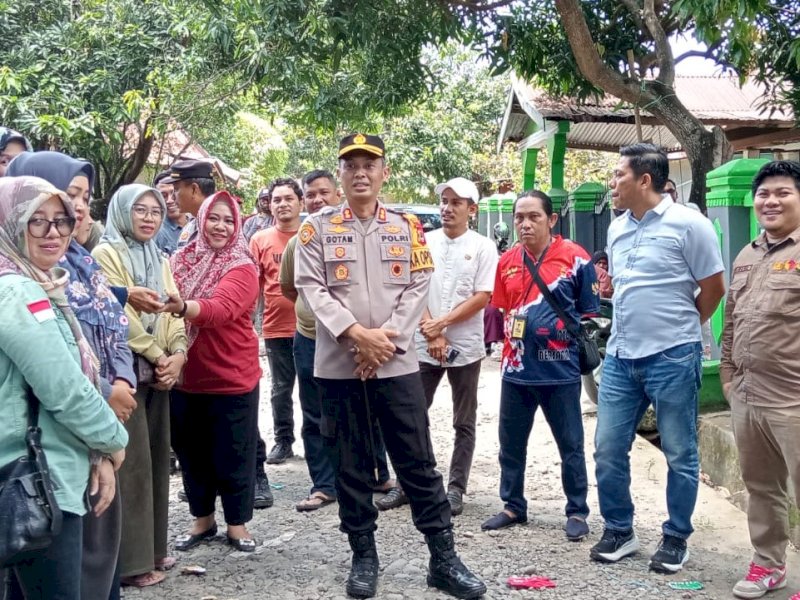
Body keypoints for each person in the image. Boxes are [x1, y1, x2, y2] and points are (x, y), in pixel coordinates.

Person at [295, 133, 485, 599]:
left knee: (418, 462)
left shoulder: (407, 227)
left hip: (395, 364)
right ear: (340, 174)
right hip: (339, 366)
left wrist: (385, 339)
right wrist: (356, 335)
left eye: (369, 165)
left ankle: (443, 559)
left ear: (385, 172)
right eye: (351, 165)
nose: (360, 173)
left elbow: (418, 283)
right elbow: (310, 286)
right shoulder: (316, 228)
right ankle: (364, 556)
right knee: (349, 464)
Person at [4, 150, 138, 600]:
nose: (54, 232)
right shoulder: (17, 291)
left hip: (51, 465)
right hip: (36, 474)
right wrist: (113, 443)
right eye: (36, 221)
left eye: (61, 220)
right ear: (10, 222)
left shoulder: (41, 281)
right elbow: (64, 388)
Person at [591, 144, 725, 573]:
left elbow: (714, 288)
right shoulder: (617, 228)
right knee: (608, 447)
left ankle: (676, 536)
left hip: (672, 357)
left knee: (679, 452)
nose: (612, 183)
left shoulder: (690, 224)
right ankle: (619, 529)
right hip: (620, 356)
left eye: (619, 175)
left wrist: (681, 328)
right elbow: (626, 283)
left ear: (644, 180)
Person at [482, 190, 598, 541]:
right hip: (516, 371)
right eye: (519, 217)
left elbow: (589, 312)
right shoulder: (507, 261)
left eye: (534, 217)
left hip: (560, 370)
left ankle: (576, 510)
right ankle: (513, 505)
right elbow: (503, 309)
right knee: (510, 443)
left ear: (552, 220)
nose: (525, 224)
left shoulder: (575, 258)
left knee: (571, 444)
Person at [92, 184, 188, 588]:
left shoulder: (158, 255)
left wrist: (178, 352)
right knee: (129, 465)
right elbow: (118, 315)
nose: (150, 218)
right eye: (140, 210)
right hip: (125, 370)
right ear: (122, 212)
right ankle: (130, 563)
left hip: (159, 370)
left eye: (156, 211)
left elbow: (171, 306)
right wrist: (155, 352)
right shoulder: (105, 254)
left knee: (155, 462)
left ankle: (153, 548)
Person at [165, 191, 262, 552]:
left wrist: (182, 307)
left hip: (231, 377)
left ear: (237, 225)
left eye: (228, 220)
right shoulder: (179, 260)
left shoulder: (242, 266)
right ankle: (202, 521)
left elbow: (220, 309)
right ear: (201, 220)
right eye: (214, 218)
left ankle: (237, 525)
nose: (220, 226)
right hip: (185, 376)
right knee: (191, 455)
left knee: (234, 454)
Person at [721, 161, 800, 600]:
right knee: (761, 487)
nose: (771, 201)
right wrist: (728, 377)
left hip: (794, 398)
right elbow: (732, 320)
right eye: (763, 194)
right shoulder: (747, 255)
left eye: (783, 192)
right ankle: (769, 566)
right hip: (749, 395)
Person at [412, 177, 497, 517]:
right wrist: (432, 332)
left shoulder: (483, 246)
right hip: (423, 342)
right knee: (413, 414)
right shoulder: (425, 241)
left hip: (465, 345)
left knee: (464, 420)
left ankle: (456, 487)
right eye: (444, 202)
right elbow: (414, 288)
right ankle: (413, 481)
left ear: (471, 210)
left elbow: (482, 296)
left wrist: (442, 324)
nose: (447, 208)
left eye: (456, 203)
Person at [280, 170, 342, 511]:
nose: (318, 200)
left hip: (351, 341)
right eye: (311, 195)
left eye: (324, 193)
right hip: (309, 339)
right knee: (314, 413)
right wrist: (312, 313)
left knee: (361, 410)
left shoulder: (354, 235)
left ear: (337, 195)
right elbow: (290, 288)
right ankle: (323, 485)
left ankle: (373, 475)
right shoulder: (297, 243)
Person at [250, 178, 303, 466]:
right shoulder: (260, 240)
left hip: (313, 329)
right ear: (269, 205)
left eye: (288, 199)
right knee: (281, 389)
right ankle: (284, 440)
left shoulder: (311, 234)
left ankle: (320, 441)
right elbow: (253, 287)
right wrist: (249, 324)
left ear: (300, 203)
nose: (282, 204)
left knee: (315, 387)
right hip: (275, 327)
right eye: (276, 200)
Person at [160, 159, 216, 251]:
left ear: (194, 189)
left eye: (176, 189)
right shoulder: (190, 225)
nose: (172, 197)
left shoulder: (220, 228)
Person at [154, 169, 191, 256]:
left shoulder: (196, 224)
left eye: (174, 193)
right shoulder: (157, 232)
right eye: (163, 196)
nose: (169, 200)